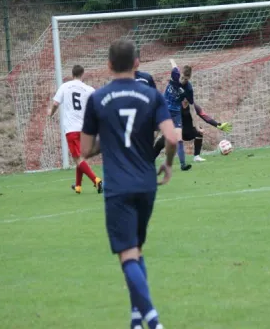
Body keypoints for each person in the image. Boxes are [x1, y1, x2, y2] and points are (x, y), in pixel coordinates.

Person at [80, 39, 177, 329]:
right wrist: (169, 164)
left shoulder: (97, 99)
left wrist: (105, 141)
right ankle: (136, 319)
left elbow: (85, 150)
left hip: (118, 187)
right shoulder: (152, 95)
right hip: (146, 182)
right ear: (137, 63)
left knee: (127, 254)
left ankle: (152, 320)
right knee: (136, 250)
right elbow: (172, 138)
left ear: (108, 65)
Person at [48, 64, 102, 194]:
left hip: (71, 129)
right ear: (82, 74)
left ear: (72, 74)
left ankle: (96, 180)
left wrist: (51, 113)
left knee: (78, 158)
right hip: (85, 129)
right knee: (81, 157)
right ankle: (78, 186)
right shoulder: (88, 89)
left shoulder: (65, 86)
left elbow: (55, 103)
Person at [154, 99, 233, 162]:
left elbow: (204, 116)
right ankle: (149, 160)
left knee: (199, 131)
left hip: (187, 132)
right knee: (159, 143)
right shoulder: (175, 106)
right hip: (174, 131)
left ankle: (196, 156)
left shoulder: (193, 107)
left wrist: (217, 125)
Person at [163, 58, 194, 171]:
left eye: (185, 79)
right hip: (163, 108)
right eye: (182, 77)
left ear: (189, 78)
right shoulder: (175, 74)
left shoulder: (188, 88)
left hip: (176, 112)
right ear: (179, 74)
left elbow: (190, 101)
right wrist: (171, 59)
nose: (182, 80)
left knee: (179, 139)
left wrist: (186, 98)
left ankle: (183, 165)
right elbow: (174, 65)